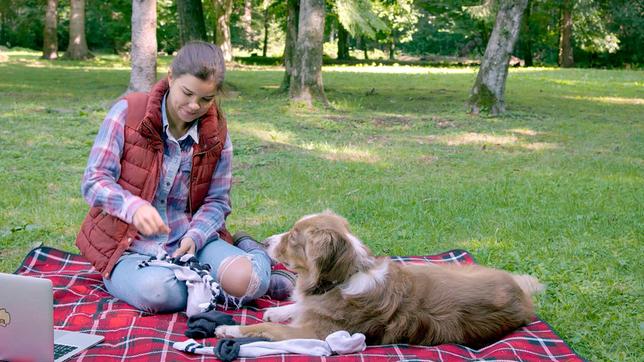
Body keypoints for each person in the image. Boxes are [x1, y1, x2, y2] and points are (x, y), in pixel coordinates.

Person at [76, 41, 294, 314]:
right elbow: (94, 181)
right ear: (170, 78)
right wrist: (133, 207)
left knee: (248, 282)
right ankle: (215, 283)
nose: (194, 106)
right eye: (187, 93)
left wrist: (196, 236)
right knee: (156, 292)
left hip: (192, 245)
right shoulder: (128, 112)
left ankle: (254, 256)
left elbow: (217, 201)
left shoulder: (216, 135)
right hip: (129, 249)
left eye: (206, 99)